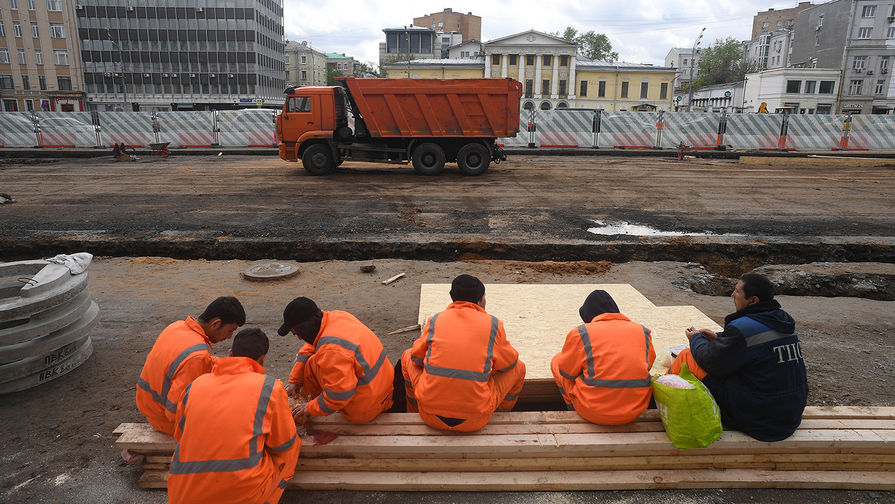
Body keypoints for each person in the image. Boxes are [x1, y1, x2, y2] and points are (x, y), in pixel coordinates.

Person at [669, 273, 808, 441]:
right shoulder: (782, 321)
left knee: (687, 356)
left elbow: (710, 362)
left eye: (737, 292)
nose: (732, 295)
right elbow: (755, 348)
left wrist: (696, 339)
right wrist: (720, 339)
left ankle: (661, 404)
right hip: (788, 413)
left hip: (758, 417)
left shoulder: (743, 328)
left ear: (753, 300)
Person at [168, 328, 299, 504]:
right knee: (292, 447)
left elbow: (180, 435)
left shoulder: (195, 385)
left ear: (230, 353)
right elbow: (282, 444)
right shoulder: (269, 388)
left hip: (183, 494)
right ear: (263, 359)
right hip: (240, 496)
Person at [401, 274, 526, 432]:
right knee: (519, 368)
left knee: (406, 355)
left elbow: (416, 358)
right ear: (480, 300)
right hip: (476, 420)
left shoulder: (435, 320)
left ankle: (412, 413)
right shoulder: (493, 324)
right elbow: (509, 364)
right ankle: (500, 415)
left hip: (429, 415)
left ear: (453, 298)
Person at [136, 296, 245, 435]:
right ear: (216, 323)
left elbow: (192, 362)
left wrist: (232, 364)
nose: (230, 337)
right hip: (165, 421)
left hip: (149, 406)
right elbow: (174, 412)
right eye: (231, 330)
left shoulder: (177, 327)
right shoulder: (198, 357)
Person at [279, 297, 394, 423]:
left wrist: (310, 408)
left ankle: (313, 402)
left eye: (296, 334)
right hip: (384, 392)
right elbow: (310, 346)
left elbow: (339, 394)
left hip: (364, 410)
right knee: (311, 357)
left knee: (311, 365)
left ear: (305, 329)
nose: (300, 338)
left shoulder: (331, 350)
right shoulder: (337, 317)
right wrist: (295, 381)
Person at [551, 290, 656, 425]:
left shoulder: (581, 332)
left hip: (593, 411)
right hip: (634, 411)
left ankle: (572, 408)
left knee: (557, 360)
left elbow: (567, 372)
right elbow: (648, 365)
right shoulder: (643, 331)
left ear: (588, 315)